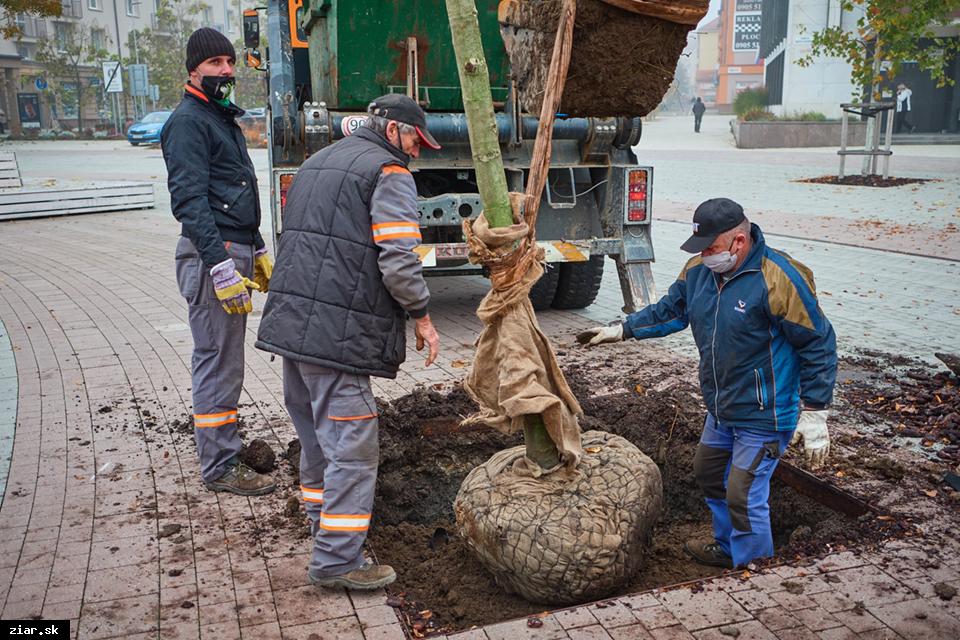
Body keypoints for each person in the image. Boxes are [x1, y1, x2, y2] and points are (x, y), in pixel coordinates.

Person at [577, 197, 837, 570]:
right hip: (721, 405)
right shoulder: (698, 270)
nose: (705, 256)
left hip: (766, 411)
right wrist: (623, 329)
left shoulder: (778, 277)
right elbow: (672, 310)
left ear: (739, 243)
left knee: (743, 494)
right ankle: (729, 547)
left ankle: (754, 570)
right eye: (701, 248)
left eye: (711, 248)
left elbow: (818, 341)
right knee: (709, 472)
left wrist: (815, 412)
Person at [256, 93, 442, 590]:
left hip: (295, 331)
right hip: (336, 339)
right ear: (392, 130)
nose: (417, 152)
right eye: (415, 140)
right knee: (354, 449)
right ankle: (338, 561)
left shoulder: (317, 162)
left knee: (317, 438)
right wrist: (422, 317)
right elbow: (399, 260)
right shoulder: (389, 174)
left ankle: (323, 528)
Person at [161, 28, 276, 496]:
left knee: (226, 360)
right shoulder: (188, 121)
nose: (226, 71)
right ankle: (220, 467)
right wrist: (220, 265)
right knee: (217, 360)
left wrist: (258, 244)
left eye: (230, 63)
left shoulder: (219, 116)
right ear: (193, 70)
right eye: (215, 64)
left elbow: (233, 189)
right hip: (215, 256)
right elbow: (190, 201)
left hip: (235, 248)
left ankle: (224, 446)